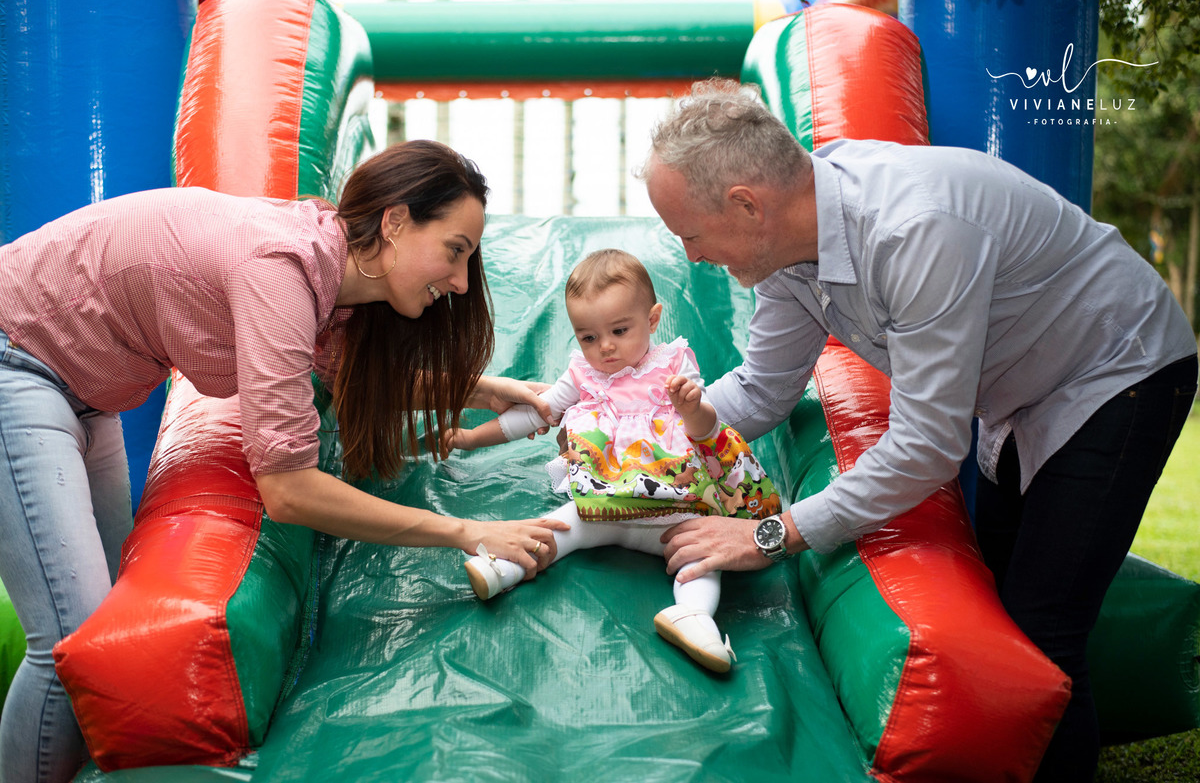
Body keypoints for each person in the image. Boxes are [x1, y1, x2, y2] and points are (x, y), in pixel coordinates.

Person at [640, 79, 1198, 781]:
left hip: (1119, 370)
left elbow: (929, 446)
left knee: (1041, 631)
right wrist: (639, 442)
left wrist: (771, 534)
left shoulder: (914, 229)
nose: (690, 255)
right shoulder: (785, 251)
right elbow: (762, 388)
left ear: (748, 204)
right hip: (1019, 390)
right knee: (998, 610)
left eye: (689, 234)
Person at [0, 140, 568, 783]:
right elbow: (290, 491)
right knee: (72, 644)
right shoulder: (281, 271)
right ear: (395, 223)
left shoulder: (332, 276)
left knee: (112, 637)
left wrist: (488, 390)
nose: (462, 281)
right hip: (17, 361)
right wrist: (468, 531)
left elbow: (351, 377)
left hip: (87, 391)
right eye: (455, 251)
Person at [443, 249, 782, 673]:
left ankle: (694, 617)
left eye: (620, 330)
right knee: (566, 524)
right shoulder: (582, 374)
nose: (604, 347)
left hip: (674, 508)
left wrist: (692, 407)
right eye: (587, 337)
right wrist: (473, 438)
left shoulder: (673, 366)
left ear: (653, 319)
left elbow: (707, 429)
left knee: (702, 553)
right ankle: (508, 565)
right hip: (605, 505)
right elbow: (538, 410)